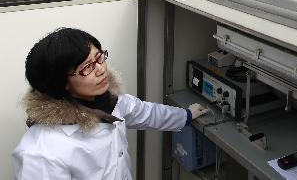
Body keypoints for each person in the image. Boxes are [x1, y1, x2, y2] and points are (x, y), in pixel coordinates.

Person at [12, 28, 206, 179]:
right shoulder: (40, 153)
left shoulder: (109, 102)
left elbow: (145, 112)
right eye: (87, 67)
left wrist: (186, 116)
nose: (100, 69)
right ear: (60, 84)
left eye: (99, 58)